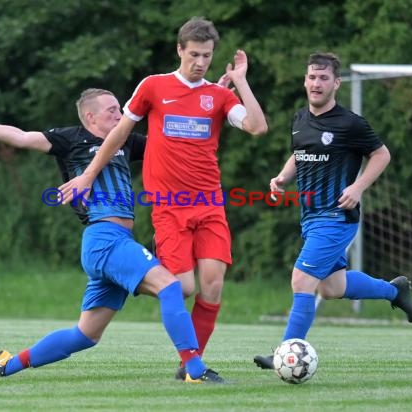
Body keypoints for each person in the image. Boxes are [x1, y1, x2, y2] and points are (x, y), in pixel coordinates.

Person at [0, 88, 224, 383]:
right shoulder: (71, 139)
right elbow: (19, 136)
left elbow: (174, 145)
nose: (120, 114)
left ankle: (6, 364)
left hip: (115, 244)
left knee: (85, 335)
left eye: (120, 109)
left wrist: (210, 100)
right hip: (104, 240)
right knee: (171, 287)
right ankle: (194, 371)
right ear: (90, 116)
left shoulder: (126, 140)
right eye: (112, 110)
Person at [58, 17, 268, 380]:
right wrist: (88, 175)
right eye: (195, 54)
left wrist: (241, 82)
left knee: (214, 284)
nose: (201, 62)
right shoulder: (153, 87)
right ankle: (190, 357)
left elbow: (256, 126)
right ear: (180, 50)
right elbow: (119, 135)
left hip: (209, 204)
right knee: (184, 288)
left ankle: (190, 366)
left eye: (207, 55)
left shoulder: (218, 96)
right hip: (169, 206)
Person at [253, 52, 412, 370]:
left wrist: (358, 188)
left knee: (301, 280)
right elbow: (299, 155)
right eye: (312, 77)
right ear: (305, 80)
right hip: (310, 217)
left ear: (336, 83)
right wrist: (282, 177)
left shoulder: (350, 123)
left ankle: (284, 354)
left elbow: (381, 154)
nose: (316, 83)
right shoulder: (300, 119)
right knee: (332, 289)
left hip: (336, 217)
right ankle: (394, 291)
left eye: (323, 77)